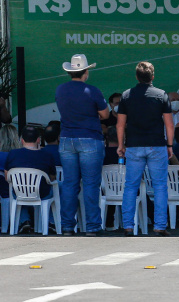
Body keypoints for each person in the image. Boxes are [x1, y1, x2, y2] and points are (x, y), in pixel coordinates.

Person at [117, 61, 173, 236]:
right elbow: (169, 125)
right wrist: (170, 145)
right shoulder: (161, 95)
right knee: (160, 187)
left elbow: (120, 125)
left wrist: (120, 144)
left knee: (131, 186)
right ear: (152, 77)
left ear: (136, 77)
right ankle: (159, 226)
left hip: (134, 145)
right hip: (156, 144)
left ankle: (128, 225)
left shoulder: (126, 96)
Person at [56, 54, 110, 236]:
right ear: (86, 72)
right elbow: (105, 115)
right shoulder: (92, 90)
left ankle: (67, 227)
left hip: (66, 139)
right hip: (89, 139)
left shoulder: (60, 90)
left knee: (70, 184)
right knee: (90, 184)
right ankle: (92, 227)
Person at [4, 125, 57, 234]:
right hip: (42, 194)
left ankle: (24, 221)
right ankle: (51, 222)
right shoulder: (47, 155)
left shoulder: (13, 154)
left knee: (18, 192)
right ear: (38, 140)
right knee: (57, 190)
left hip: (18, 193)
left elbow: (7, 177)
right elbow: (52, 177)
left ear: (22, 140)